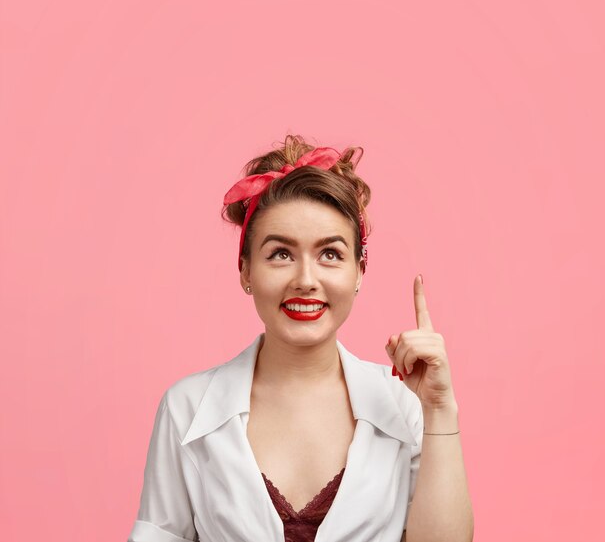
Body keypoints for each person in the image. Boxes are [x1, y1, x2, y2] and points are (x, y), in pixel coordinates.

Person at [128, 134, 474, 542]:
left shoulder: (406, 406)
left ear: (359, 271)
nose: (306, 280)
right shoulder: (186, 408)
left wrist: (439, 410)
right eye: (280, 254)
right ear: (245, 271)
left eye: (330, 254)